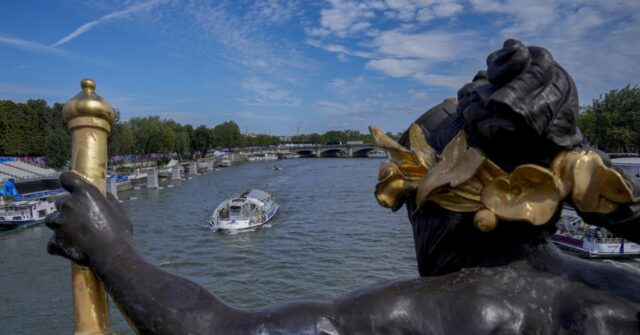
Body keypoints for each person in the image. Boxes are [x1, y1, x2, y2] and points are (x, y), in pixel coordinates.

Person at [46, 40, 640, 334]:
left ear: (453, 191)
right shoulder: (615, 292)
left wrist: (109, 246)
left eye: (409, 195)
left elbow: (225, 332)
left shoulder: (456, 309)